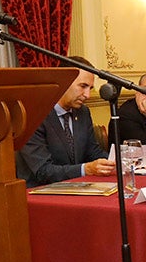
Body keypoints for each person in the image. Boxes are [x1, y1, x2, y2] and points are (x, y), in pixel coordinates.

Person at [17, 57, 113, 187]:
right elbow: (42, 171)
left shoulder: (82, 112)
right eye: (83, 86)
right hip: (41, 193)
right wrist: (86, 169)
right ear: (64, 81)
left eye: (90, 88)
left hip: (78, 187)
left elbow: (93, 152)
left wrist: (120, 161)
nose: (88, 95)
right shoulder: (34, 114)